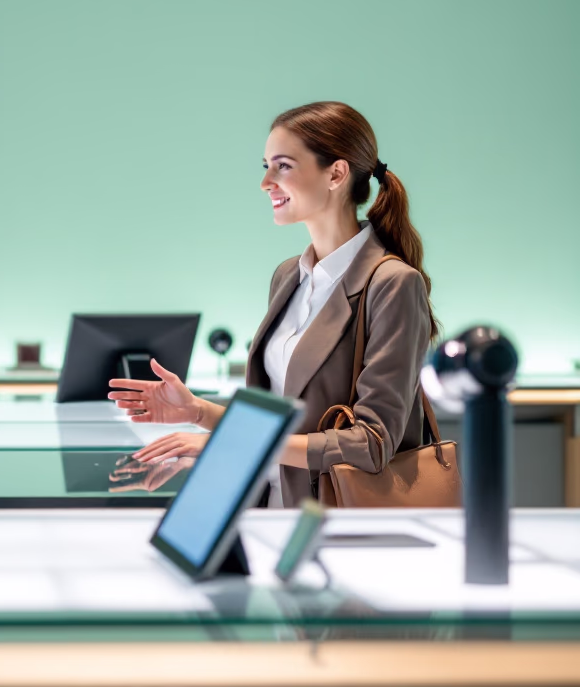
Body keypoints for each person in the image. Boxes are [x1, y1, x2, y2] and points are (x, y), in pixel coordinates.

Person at [109, 101, 437, 507]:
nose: (266, 182)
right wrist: (198, 411)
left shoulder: (393, 284)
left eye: (282, 166)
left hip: (335, 522)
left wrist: (238, 444)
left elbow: (370, 444)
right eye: (265, 165)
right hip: (270, 507)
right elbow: (280, 421)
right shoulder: (288, 276)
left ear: (336, 173)